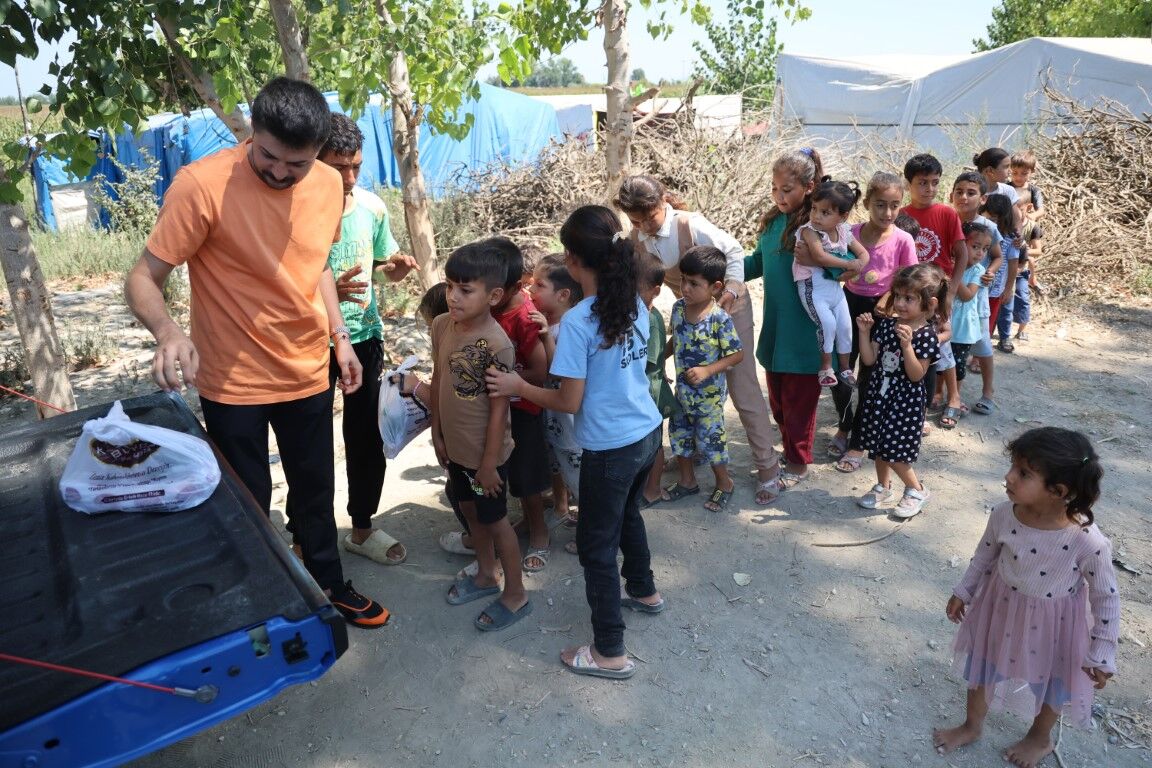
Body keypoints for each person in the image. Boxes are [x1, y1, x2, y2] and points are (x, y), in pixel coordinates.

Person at [123, 77, 387, 629]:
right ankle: (259, 601)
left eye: (298, 163)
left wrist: (340, 336)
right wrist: (168, 332)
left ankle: (328, 584)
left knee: (315, 491)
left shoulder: (327, 184)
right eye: (268, 156)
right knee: (247, 501)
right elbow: (143, 277)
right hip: (232, 380)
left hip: (306, 368)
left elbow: (316, 264)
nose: (281, 173)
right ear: (252, 133)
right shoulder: (201, 186)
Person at [487, 205, 664, 681]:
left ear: (571, 258)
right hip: (646, 433)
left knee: (596, 547)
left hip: (611, 447)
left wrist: (517, 386)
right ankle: (644, 589)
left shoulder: (581, 321)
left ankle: (609, 651)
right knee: (628, 516)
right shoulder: (634, 301)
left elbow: (567, 400)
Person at [933, 428, 1118, 768]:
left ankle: (1039, 737)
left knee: (1053, 681)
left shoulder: (1088, 541)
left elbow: (1106, 598)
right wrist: (964, 590)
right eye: (1013, 467)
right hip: (999, 607)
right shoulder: (1005, 514)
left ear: (1058, 491)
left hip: (1055, 624)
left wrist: (1102, 652)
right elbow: (984, 556)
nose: (1009, 476)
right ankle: (972, 726)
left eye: (1023, 473)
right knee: (983, 664)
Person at [615, 175, 782, 505]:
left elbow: (734, 250)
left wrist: (730, 291)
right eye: (636, 221)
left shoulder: (690, 225)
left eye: (650, 218)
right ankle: (693, 455)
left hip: (727, 304)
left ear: (663, 202)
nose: (644, 226)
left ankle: (767, 467)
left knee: (743, 387)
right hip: (690, 310)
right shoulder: (637, 238)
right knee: (689, 394)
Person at [310, 112, 418, 566]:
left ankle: (361, 528)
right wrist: (325, 294)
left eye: (355, 166)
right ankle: (306, 534)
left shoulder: (372, 207)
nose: (350, 177)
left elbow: (380, 268)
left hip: (365, 337)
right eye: (339, 168)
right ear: (314, 161)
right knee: (309, 442)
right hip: (311, 342)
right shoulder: (296, 211)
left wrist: (395, 270)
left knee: (365, 436)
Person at [432, 240, 532, 631]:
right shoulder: (442, 325)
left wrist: (488, 465)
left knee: (496, 521)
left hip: (484, 460)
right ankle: (487, 574)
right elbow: (439, 379)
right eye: (449, 286)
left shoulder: (496, 344)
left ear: (493, 295)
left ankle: (516, 593)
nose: (453, 296)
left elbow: (499, 409)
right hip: (457, 454)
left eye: (465, 289)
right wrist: (438, 434)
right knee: (470, 510)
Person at [743, 148, 826, 488]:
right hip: (776, 330)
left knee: (799, 405)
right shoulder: (772, 222)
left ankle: (797, 462)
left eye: (787, 190)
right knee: (778, 400)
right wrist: (723, 269)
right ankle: (791, 448)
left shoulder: (819, 226)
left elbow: (844, 267)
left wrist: (823, 260)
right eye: (775, 188)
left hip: (805, 332)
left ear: (809, 186)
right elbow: (757, 262)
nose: (779, 196)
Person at [827, 175, 919, 473]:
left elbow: (910, 279)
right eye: (880, 205)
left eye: (894, 205)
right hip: (847, 306)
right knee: (841, 372)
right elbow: (835, 266)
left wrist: (889, 297)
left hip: (883, 313)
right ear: (866, 203)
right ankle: (844, 425)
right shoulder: (850, 233)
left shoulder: (903, 240)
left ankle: (857, 442)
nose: (887, 212)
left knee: (870, 379)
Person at [854, 264, 945, 519]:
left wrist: (907, 346)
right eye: (898, 296)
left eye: (909, 298)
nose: (901, 303)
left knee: (895, 452)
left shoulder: (926, 336)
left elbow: (917, 374)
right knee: (878, 445)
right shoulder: (886, 326)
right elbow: (869, 359)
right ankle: (883, 487)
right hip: (880, 396)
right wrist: (864, 333)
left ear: (930, 303)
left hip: (905, 403)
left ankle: (917, 490)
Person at [664, 245, 744, 513]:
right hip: (682, 394)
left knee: (712, 441)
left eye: (694, 284)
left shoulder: (718, 318)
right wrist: (659, 358)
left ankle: (725, 483)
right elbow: (676, 338)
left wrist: (708, 370)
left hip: (708, 399)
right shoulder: (678, 309)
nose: (685, 288)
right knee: (679, 435)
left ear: (715, 287)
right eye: (683, 280)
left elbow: (737, 354)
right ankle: (687, 481)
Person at [491, 241, 552, 573]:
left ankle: (540, 532)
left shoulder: (525, 318)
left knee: (528, 477)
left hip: (524, 409)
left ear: (515, 286)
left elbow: (541, 372)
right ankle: (528, 521)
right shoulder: (493, 309)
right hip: (500, 409)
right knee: (513, 473)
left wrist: (506, 380)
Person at [900, 154, 967, 438]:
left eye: (935, 182)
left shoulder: (947, 214)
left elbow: (962, 254)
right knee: (914, 347)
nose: (929, 188)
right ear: (909, 184)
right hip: (911, 297)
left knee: (943, 348)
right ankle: (917, 403)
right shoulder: (901, 214)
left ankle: (954, 397)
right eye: (922, 182)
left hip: (938, 294)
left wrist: (950, 292)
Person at [791, 180, 870, 387]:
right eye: (814, 208)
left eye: (825, 212)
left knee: (845, 326)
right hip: (813, 288)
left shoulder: (843, 231)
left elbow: (864, 254)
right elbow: (820, 256)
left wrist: (857, 267)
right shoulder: (809, 231)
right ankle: (826, 368)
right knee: (827, 324)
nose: (816, 216)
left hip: (835, 289)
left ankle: (844, 368)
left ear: (843, 216)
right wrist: (848, 264)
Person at [528, 253, 584, 535]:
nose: (531, 289)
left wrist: (545, 337)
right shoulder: (548, 323)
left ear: (563, 295)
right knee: (555, 463)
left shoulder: (569, 328)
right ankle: (561, 507)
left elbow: (557, 372)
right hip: (551, 416)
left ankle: (589, 528)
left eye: (539, 285)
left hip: (569, 422)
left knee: (577, 474)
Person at [943, 171, 1002, 427]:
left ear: (983, 198)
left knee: (983, 347)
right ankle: (944, 393)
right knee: (949, 345)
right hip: (950, 296)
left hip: (975, 296)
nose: (964, 197)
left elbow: (998, 256)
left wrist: (990, 272)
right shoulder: (947, 219)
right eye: (959, 192)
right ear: (951, 195)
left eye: (971, 193)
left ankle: (988, 392)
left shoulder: (988, 227)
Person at [638, 254, 678, 508]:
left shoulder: (650, 320)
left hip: (650, 392)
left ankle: (653, 489)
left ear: (655, 290)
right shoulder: (640, 314)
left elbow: (649, 362)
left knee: (655, 444)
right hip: (645, 389)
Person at [948, 223, 994, 411]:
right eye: (975, 246)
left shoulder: (978, 271)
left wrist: (953, 273)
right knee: (942, 363)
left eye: (985, 249)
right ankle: (938, 392)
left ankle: (955, 397)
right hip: (946, 325)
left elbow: (967, 295)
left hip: (963, 331)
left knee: (958, 365)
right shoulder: (948, 264)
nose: (980, 253)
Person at [979, 194, 1020, 356]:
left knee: (987, 323)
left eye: (995, 219)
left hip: (995, 290)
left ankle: (978, 358)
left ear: (1004, 219)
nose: (992, 223)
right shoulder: (978, 232)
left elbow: (1013, 264)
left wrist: (1008, 289)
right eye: (989, 218)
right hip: (974, 286)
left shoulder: (1011, 239)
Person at [1011, 218, 1043, 341]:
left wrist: (1023, 249)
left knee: (1023, 298)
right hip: (1005, 268)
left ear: (1028, 208)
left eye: (1021, 209)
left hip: (1022, 269)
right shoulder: (1006, 222)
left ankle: (1021, 331)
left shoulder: (1032, 226)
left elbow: (1038, 250)